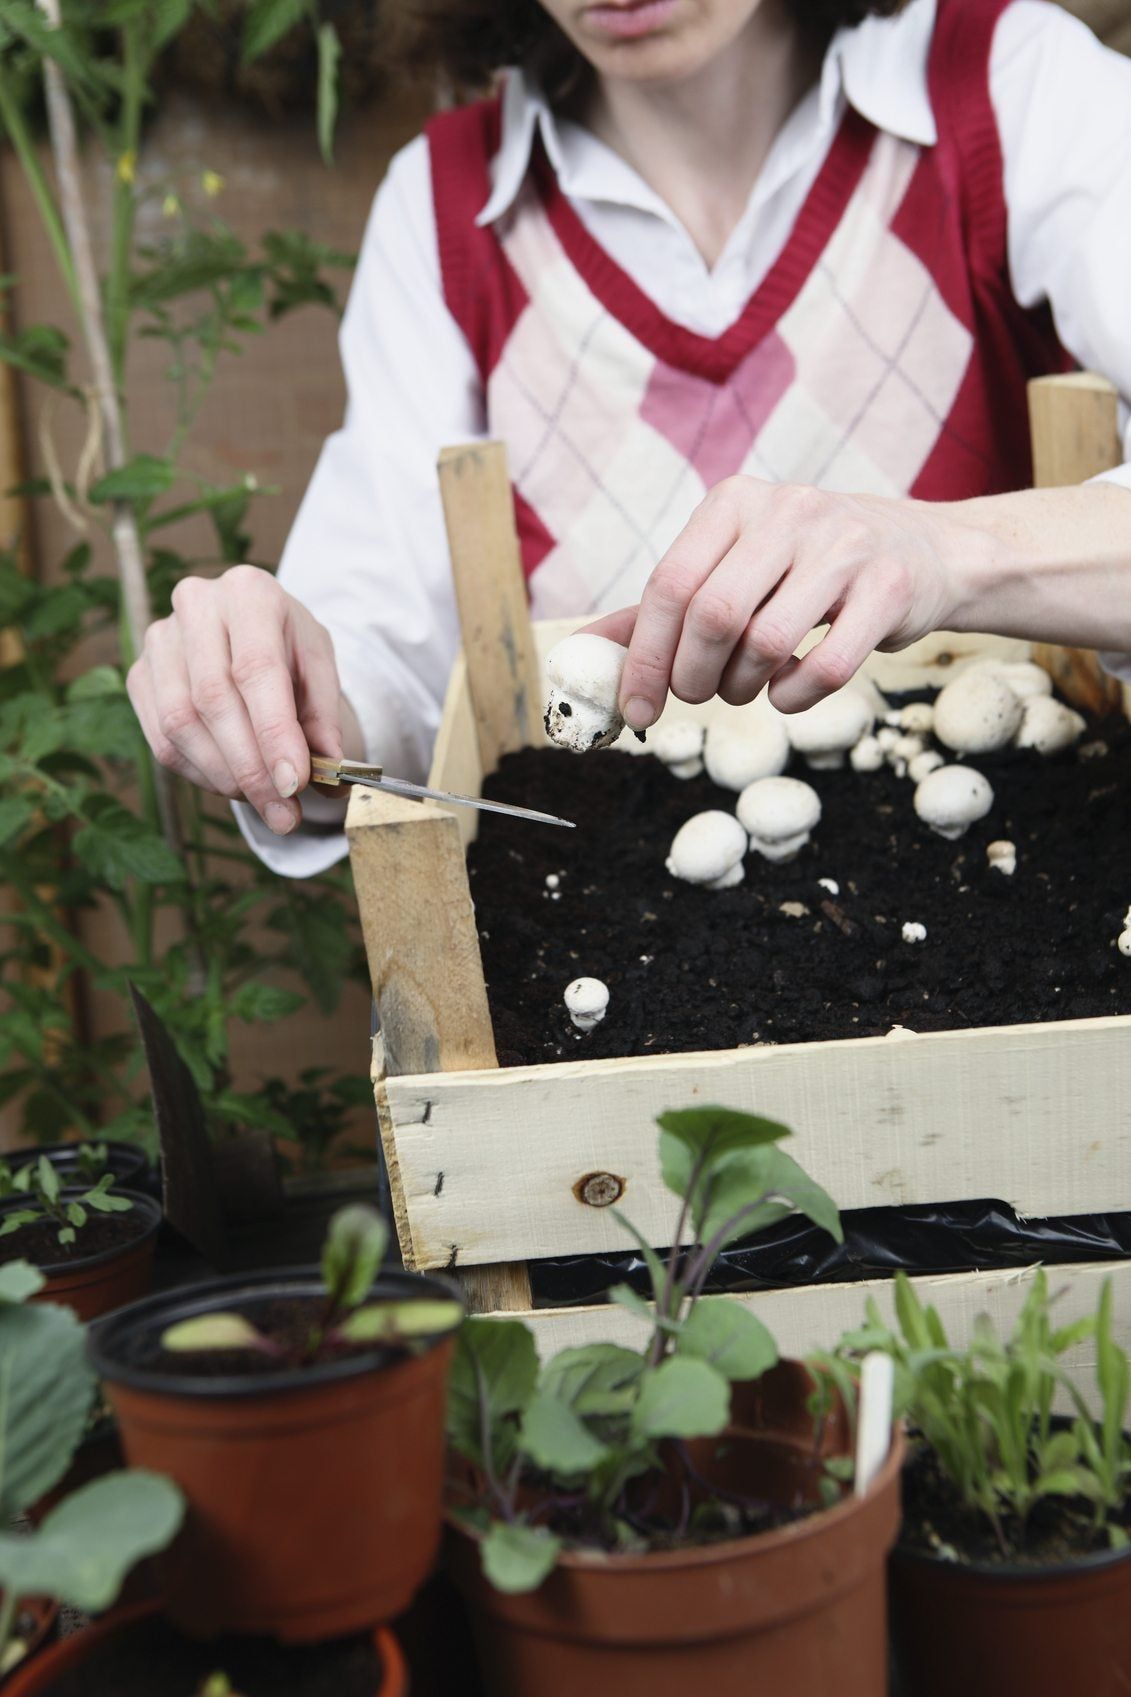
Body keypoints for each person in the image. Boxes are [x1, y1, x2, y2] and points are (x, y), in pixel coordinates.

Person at [127, 0, 1131, 877]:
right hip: (622, 976)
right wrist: (285, 704)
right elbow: (390, 664)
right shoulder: (443, 209)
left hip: (1006, 910)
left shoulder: (1005, 90)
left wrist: (943, 552)